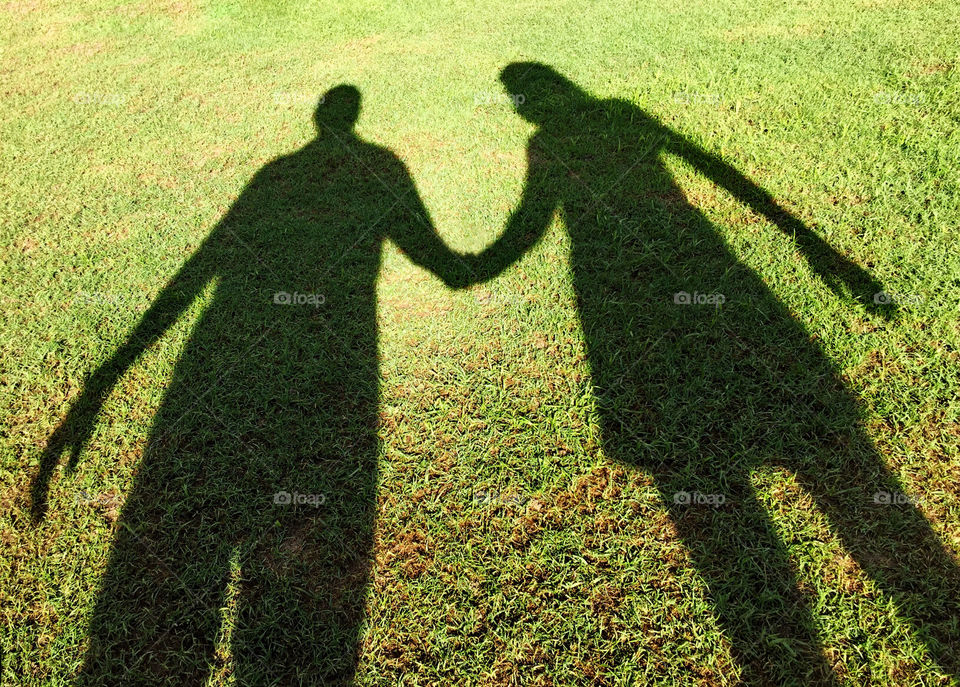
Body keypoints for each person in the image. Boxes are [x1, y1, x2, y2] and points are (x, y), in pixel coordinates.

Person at [464, 61, 959, 684]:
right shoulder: (616, 113)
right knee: (838, 465)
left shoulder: (559, 138)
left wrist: (476, 265)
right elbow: (711, 169)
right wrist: (805, 237)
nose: (521, 107)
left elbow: (535, 219)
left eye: (522, 96)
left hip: (622, 285)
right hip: (685, 261)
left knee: (707, 467)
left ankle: (784, 662)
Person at [31, 84, 476, 684]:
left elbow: (205, 263)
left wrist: (113, 370)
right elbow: (441, 261)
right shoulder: (381, 167)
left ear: (319, 119)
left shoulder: (278, 174)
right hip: (339, 362)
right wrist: (483, 260)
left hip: (236, 355)